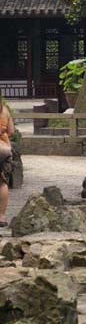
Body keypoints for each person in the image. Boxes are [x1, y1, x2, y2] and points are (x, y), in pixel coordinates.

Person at [0, 94, 14, 227]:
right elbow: (11, 131)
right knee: (2, 183)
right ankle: (2, 216)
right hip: (4, 149)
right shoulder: (4, 110)